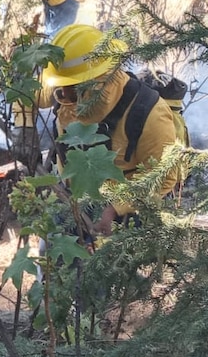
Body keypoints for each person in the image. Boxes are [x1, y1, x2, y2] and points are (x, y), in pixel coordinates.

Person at [16, 24, 177, 235]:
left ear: (99, 80)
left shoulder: (150, 114)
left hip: (129, 205)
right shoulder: (65, 83)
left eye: (73, 88)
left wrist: (115, 209)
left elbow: (163, 177)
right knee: (59, 259)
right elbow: (24, 93)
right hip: (73, 194)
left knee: (115, 265)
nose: (64, 95)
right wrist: (25, 128)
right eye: (61, 87)